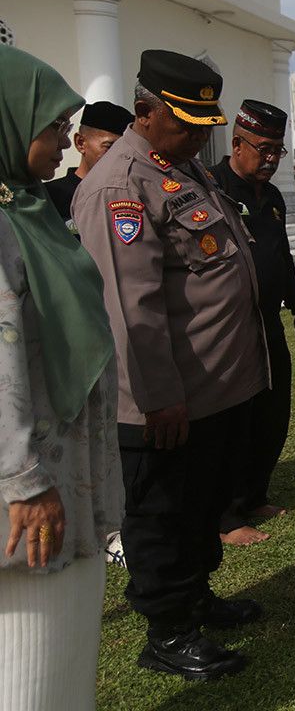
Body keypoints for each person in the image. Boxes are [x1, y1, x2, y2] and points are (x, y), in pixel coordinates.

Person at [73, 49, 270, 680]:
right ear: (144, 112)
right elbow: (130, 310)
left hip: (212, 390)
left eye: (203, 126)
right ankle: (167, 630)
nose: (198, 138)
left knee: (200, 503)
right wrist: (160, 399)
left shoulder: (182, 169)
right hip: (166, 399)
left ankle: (196, 599)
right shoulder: (121, 185)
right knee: (161, 513)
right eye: (186, 124)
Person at [0, 45, 122, 709]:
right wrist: (23, 482)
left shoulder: (27, 211)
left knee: (65, 663)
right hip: (28, 502)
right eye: (51, 126)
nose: (66, 142)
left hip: (64, 480)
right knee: (27, 673)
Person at [209, 100, 295, 546]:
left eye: (278, 152)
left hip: (267, 321)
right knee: (236, 418)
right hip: (229, 324)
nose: (271, 160)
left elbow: (281, 256)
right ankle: (227, 516)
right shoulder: (210, 189)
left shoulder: (270, 198)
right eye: (264, 149)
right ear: (237, 142)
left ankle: (255, 495)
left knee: (273, 412)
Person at [42, 100, 133, 237]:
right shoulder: (48, 198)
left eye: (123, 150)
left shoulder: (131, 196)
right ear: (80, 143)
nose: (117, 156)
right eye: (109, 147)